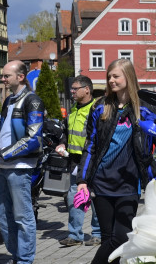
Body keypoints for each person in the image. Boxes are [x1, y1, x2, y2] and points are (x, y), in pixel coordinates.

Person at [75, 59, 151, 264]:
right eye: (109, 76)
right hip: (102, 182)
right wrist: (83, 179)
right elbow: (90, 146)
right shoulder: (100, 107)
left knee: (120, 238)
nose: (111, 80)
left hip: (128, 183)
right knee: (108, 238)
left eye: (115, 76)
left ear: (128, 77)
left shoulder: (143, 110)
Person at [0, 60, 44, 264]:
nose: (3, 79)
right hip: (1, 165)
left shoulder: (32, 101)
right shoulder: (8, 100)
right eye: (3, 75)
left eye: (7, 75)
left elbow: (33, 139)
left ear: (20, 77)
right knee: (0, 214)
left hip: (19, 167)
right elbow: (3, 129)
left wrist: (2, 153)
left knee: (23, 217)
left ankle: (24, 260)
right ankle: (17, 255)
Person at [56, 75, 102, 247]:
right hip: (75, 161)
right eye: (72, 88)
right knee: (74, 198)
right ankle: (75, 235)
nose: (72, 91)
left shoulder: (97, 109)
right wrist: (62, 143)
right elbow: (67, 131)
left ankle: (97, 233)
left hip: (92, 159)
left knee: (96, 198)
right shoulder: (74, 108)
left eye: (75, 89)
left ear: (87, 90)